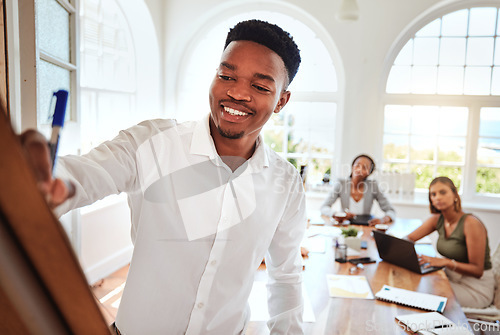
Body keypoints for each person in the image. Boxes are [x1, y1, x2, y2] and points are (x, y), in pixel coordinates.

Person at [20, 20, 306, 334]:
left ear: (281, 100)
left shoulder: (287, 184)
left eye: (260, 86)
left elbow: (286, 277)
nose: (237, 92)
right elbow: (87, 173)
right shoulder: (152, 142)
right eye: (227, 76)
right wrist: (47, 184)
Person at [406, 176, 494, 309]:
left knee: (424, 293)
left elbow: (478, 270)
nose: (437, 198)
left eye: (443, 192)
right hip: (452, 277)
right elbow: (408, 239)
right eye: (433, 194)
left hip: (475, 287)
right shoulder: (437, 219)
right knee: (416, 282)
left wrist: (446, 262)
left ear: (454, 195)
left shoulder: (471, 223)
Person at [320, 154, 395, 226]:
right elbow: (324, 207)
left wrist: (382, 220)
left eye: (365, 168)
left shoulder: (373, 186)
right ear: (352, 166)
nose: (359, 169)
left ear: (369, 172)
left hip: (366, 227)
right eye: (357, 165)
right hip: (345, 226)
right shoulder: (341, 184)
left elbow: (391, 211)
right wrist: (335, 214)